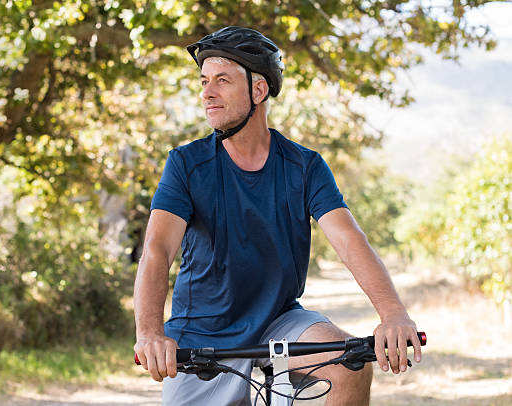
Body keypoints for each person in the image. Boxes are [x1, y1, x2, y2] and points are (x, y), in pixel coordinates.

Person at [133, 26, 422, 406]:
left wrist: (393, 314)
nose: (207, 92)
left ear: (259, 90)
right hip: (201, 334)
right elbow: (157, 250)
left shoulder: (304, 166)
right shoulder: (187, 165)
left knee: (349, 365)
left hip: (279, 321)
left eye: (222, 80)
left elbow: (350, 241)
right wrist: (150, 333)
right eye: (204, 81)